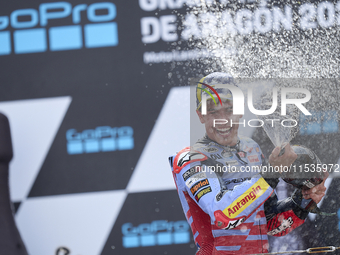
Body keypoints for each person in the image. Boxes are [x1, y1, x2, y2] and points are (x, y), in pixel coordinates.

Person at [168, 72, 327, 255]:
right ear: (200, 115)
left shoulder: (251, 149)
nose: (223, 119)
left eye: (229, 109)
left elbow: (271, 223)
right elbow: (224, 215)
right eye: (213, 111)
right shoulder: (190, 159)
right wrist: (271, 173)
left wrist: (304, 200)